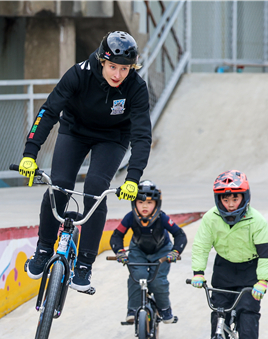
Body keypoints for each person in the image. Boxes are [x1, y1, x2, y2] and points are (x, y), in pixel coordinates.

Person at [18, 31, 152, 291]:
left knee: (95, 188)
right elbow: (48, 111)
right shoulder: (78, 74)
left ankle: (84, 264)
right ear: (102, 61)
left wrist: (133, 178)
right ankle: (44, 249)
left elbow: (142, 136)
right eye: (112, 67)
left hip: (112, 139)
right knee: (59, 185)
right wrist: (29, 154)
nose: (117, 74)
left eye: (124, 69)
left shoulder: (136, 87)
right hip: (75, 131)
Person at [190, 170, 268, 339]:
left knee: (248, 308)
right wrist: (198, 272)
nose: (230, 204)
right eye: (225, 199)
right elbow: (201, 246)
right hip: (224, 268)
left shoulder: (257, 221)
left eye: (235, 199)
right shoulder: (211, 218)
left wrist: (262, 280)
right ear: (218, 199)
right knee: (219, 309)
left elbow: (267, 254)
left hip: (249, 270)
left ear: (244, 197)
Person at [110, 180, 187, 323]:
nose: (144, 206)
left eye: (149, 202)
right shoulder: (130, 217)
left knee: (158, 282)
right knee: (136, 276)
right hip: (138, 250)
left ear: (157, 204)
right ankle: (132, 310)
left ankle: (165, 309)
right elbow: (116, 236)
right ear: (134, 203)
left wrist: (175, 252)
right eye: (140, 202)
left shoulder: (162, 217)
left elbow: (180, 235)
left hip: (162, 251)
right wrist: (119, 252)